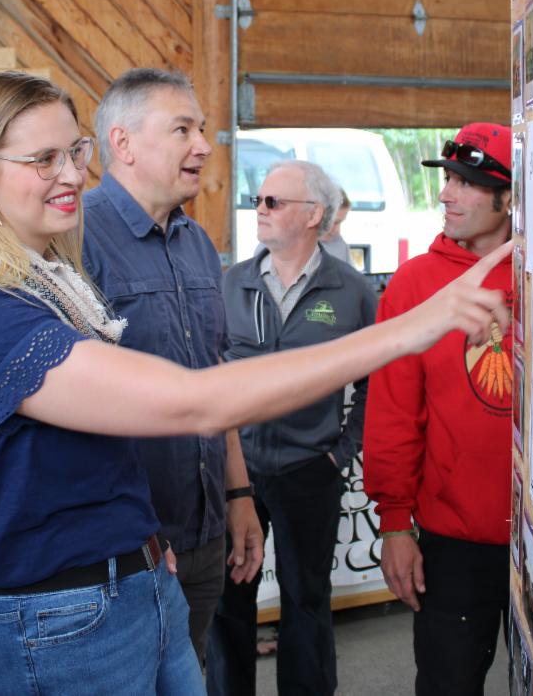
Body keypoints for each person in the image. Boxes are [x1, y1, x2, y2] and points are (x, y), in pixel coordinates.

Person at [0, 72, 510, 695]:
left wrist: (143, 537)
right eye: (43, 159)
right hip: (60, 620)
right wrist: (407, 330)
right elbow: (192, 400)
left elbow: (97, 445)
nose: (74, 175)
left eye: (75, 153)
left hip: (130, 582)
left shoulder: (53, 274)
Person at [82, 68, 263, 664]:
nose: (204, 145)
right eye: (181, 128)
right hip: (128, 548)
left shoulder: (197, 244)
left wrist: (238, 494)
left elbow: (215, 378)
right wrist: (136, 533)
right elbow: (76, 413)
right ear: (122, 143)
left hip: (204, 534)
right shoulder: (76, 239)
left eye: (203, 129)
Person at [207, 162, 376, 696]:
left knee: (307, 601)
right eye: (258, 199)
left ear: (314, 215)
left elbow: (379, 382)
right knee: (229, 603)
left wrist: (340, 453)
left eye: (274, 201)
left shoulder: (352, 291)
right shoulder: (229, 285)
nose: (260, 208)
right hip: (238, 473)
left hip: (310, 470)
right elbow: (207, 373)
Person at [363, 122, 515, 696]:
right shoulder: (414, 284)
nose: (447, 193)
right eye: (447, 178)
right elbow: (392, 414)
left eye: (468, 182)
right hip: (455, 541)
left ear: (509, 197)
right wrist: (395, 524)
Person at [320, 188, 351, 265]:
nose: (338, 230)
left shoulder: (339, 244)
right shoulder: (295, 246)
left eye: (340, 223)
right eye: (334, 223)